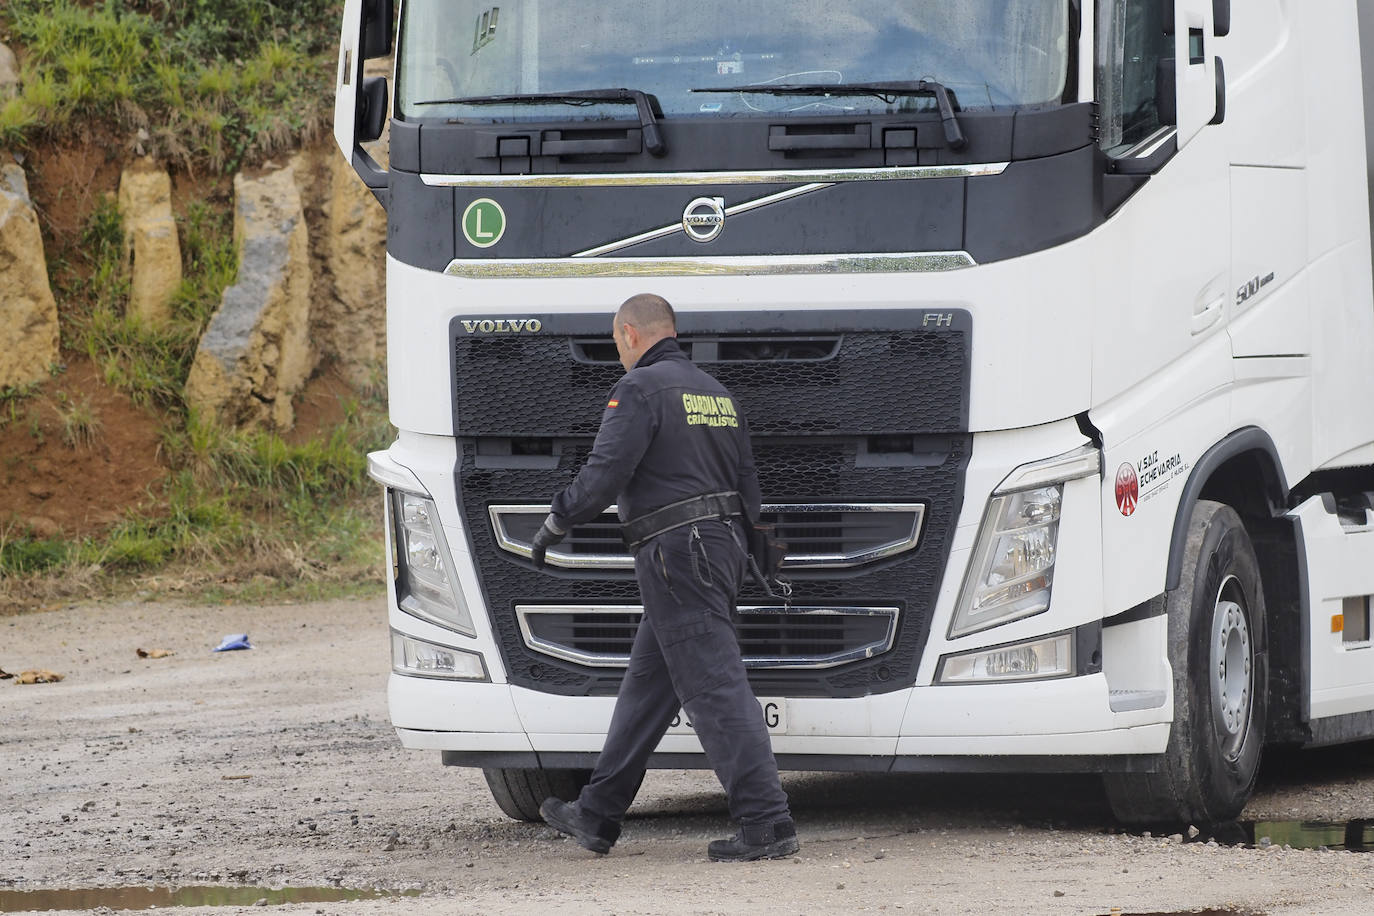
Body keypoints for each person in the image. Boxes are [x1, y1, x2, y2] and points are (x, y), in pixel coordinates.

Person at [530, 293, 798, 862]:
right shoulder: (718, 395)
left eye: (615, 341)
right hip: (716, 552)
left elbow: (605, 474)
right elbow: (749, 488)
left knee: (716, 687)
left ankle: (766, 822)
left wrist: (555, 520)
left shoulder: (639, 390)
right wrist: (752, 559)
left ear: (629, 334)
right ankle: (597, 815)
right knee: (648, 688)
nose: (618, 352)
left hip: (677, 555)